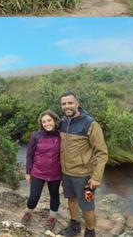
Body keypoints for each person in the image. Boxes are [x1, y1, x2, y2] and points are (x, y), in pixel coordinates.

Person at [58, 92, 108, 237]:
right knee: (71, 199)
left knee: (87, 205)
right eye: (64, 104)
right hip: (66, 173)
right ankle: (74, 227)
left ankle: (90, 232)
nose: (67, 106)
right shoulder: (62, 122)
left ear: (77, 103)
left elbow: (102, 152)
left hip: (84, 175)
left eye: (70, 103)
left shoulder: (90, 123)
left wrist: (97, 177)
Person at [22, 110, 62, 230]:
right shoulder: (36, 135)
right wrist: (28, 171)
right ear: (41, 124)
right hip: (37, 172)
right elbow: (29, 154)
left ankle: (52, 217)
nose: (47, 123)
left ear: (54, 121)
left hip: (55, 173)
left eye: (49, 120)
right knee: (34, 197)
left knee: (54, 196)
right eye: (44, 122)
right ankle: (28, 212)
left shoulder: (61, 135)